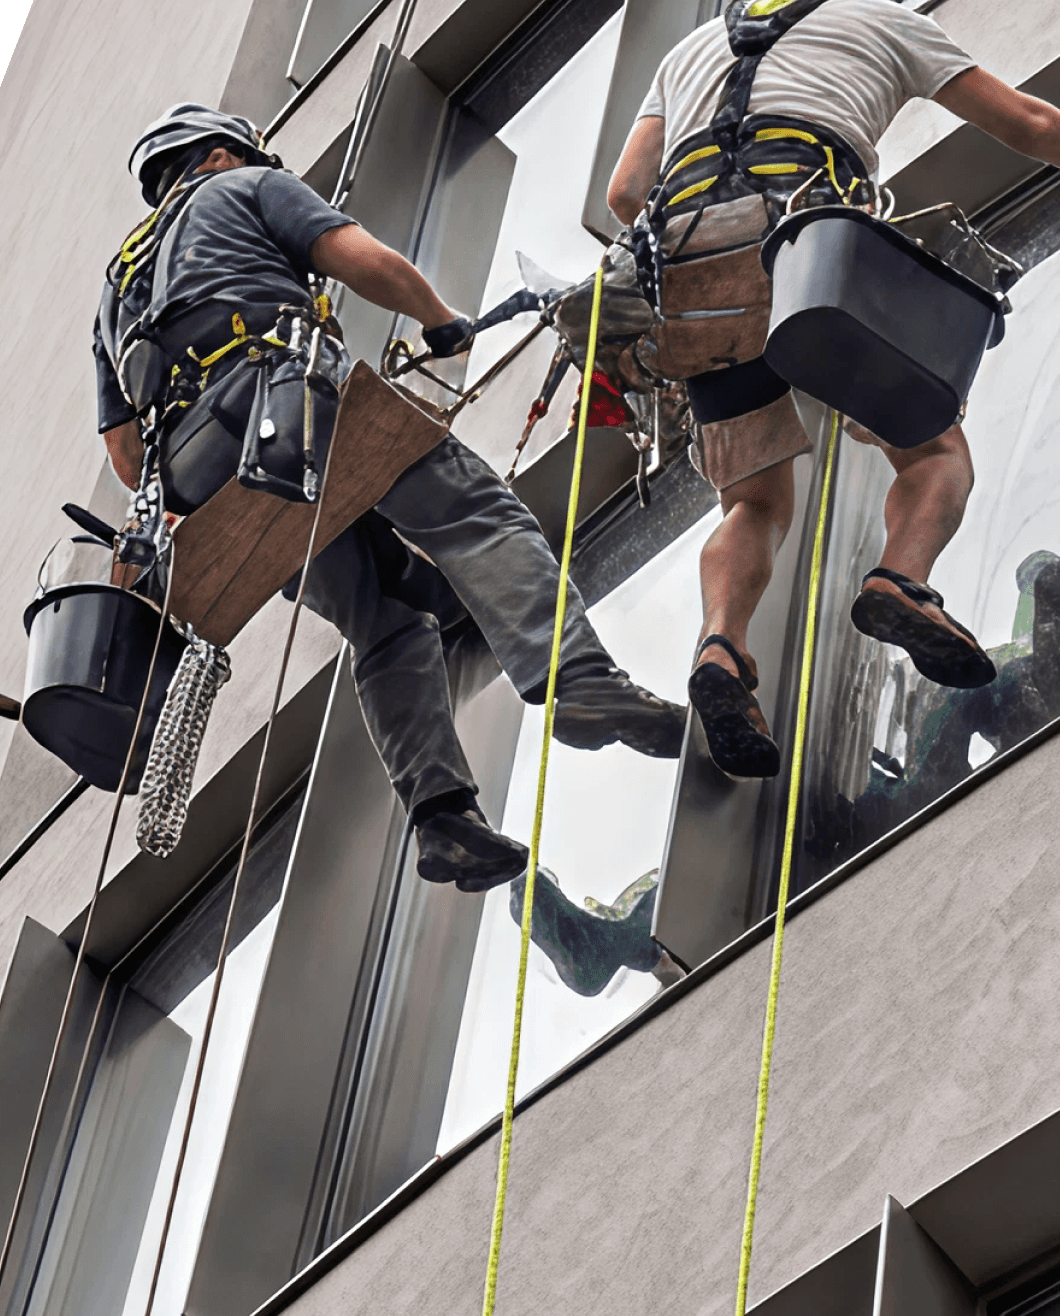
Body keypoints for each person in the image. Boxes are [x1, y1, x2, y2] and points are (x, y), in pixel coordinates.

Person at [94, 103, 686, 893]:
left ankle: (444, 819)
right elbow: (357, 257)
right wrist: (439, 320)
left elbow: (127, 455)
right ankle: (576, 677)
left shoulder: (115, 289)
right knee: (475, 512)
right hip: (284, 400)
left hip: (213, 486)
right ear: (221, 153)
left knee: (384, 619)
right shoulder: (248, 187)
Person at [604, 0, 1060, 777]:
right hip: (807, 253)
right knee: (934, 452)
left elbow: (628, 194)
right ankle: (899, 580)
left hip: (694, 279)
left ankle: (721, 649)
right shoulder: (879, 20)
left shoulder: (690, 48)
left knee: (753, 504)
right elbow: (1031, 125)